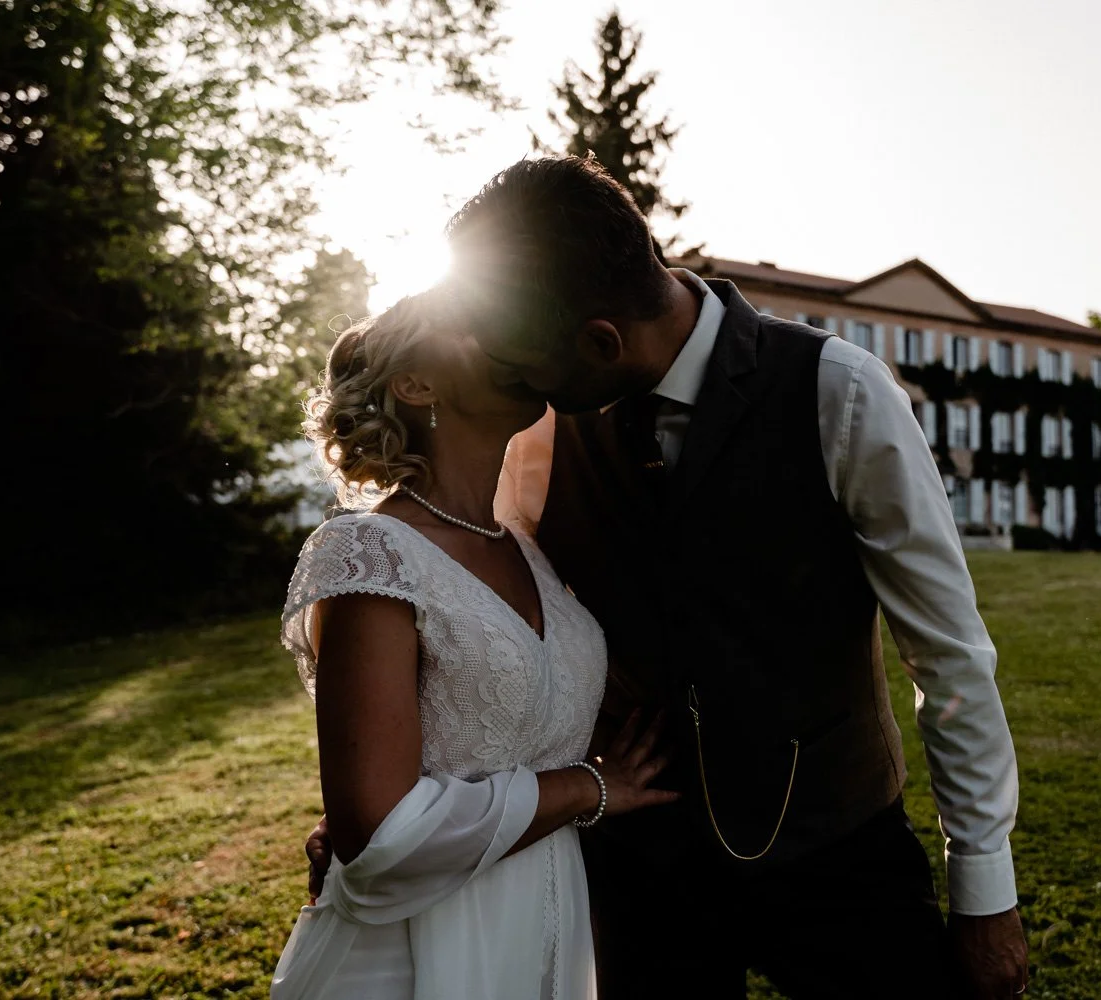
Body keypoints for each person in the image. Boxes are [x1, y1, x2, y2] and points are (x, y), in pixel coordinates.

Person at [311, 156, 1030, 999]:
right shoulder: (536, 433)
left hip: (838, 849)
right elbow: (468, 623)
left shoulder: (841, 395)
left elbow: (948, 658)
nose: (519, 380)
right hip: (637, 869)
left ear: (600, 341)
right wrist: (373, 811)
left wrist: (985, 893)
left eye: (522, 357)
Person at [270, 290, 677, 999]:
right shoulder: (368, 554)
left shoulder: (528, 549)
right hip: (417, 947)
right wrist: (589, 788)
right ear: (415, 383)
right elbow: (379, 835)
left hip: (545, 921)